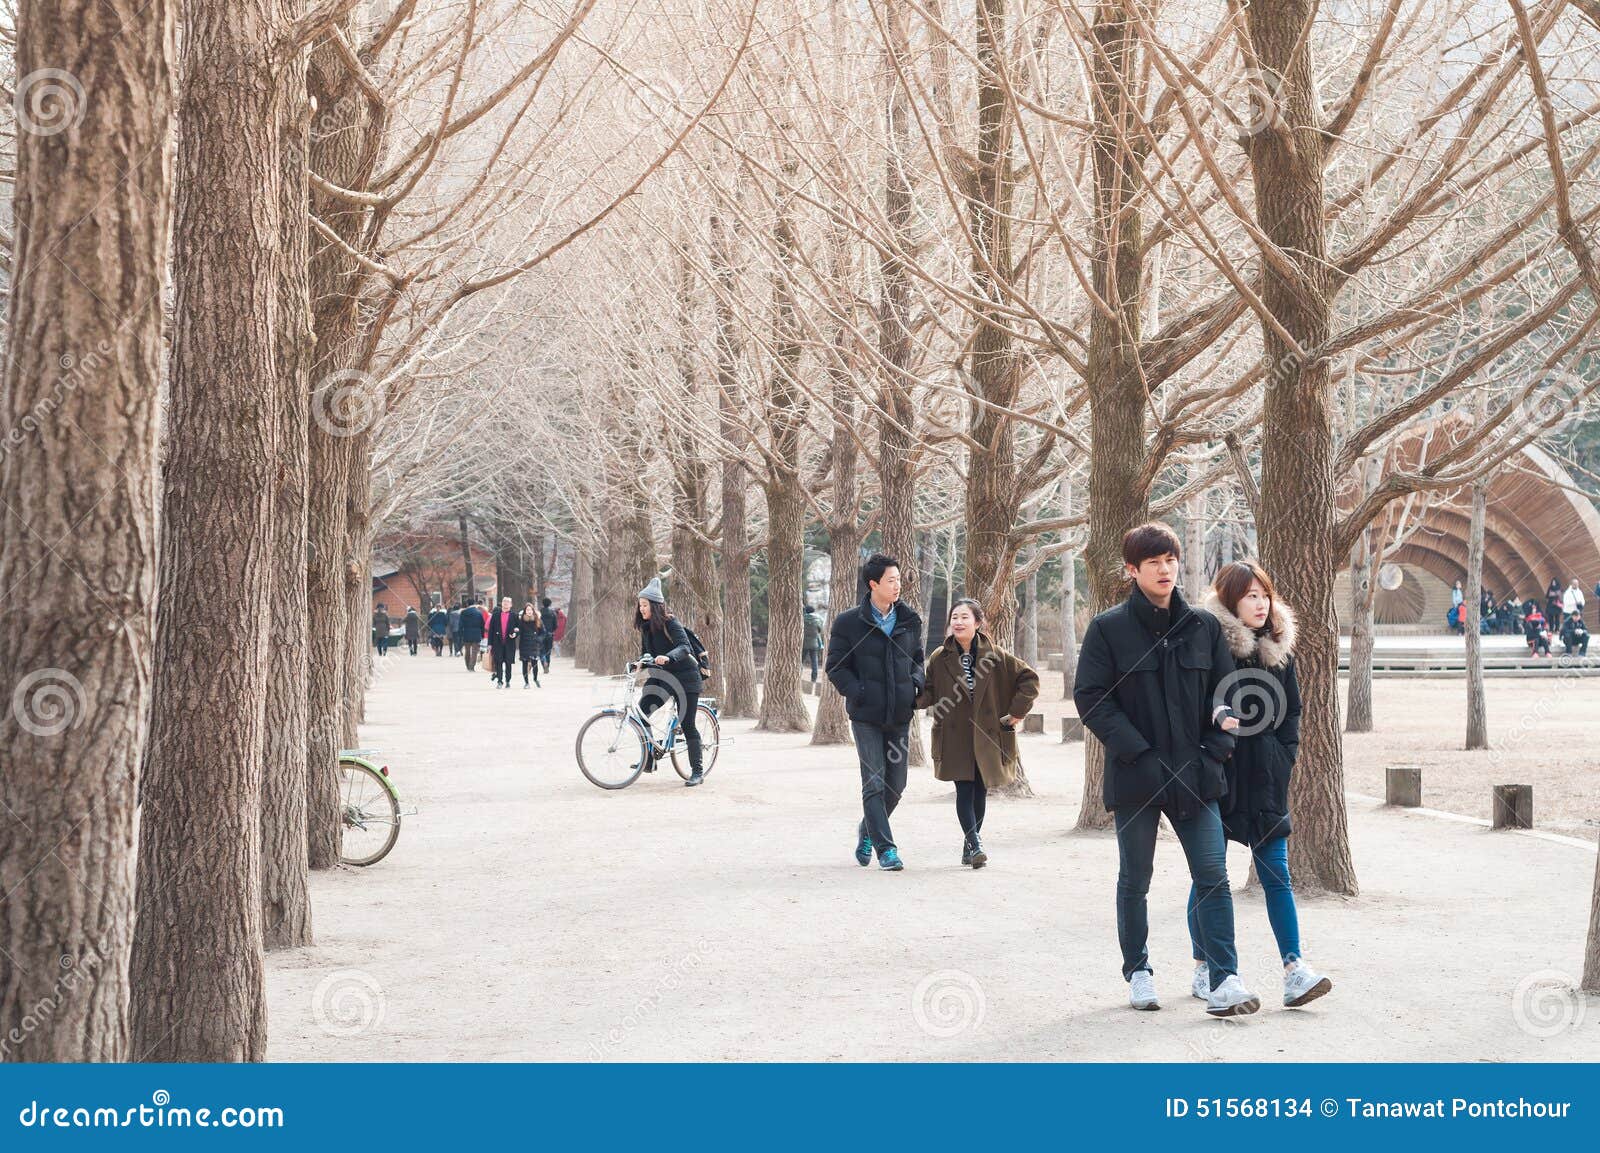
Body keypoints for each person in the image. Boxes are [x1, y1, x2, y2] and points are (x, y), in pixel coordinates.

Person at [1073, 521, 1260, 1017]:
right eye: (1153, 562)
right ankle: (1138, 970)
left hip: (1197, 775)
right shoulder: (1108, 629)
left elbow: (1228, 694)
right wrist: (1136, 750)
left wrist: (1217, 747)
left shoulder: (1203, 627)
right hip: (1137, 775)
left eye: (1170, 560)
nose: (1164, 569)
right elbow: (1090, 697)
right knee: (1136, 878)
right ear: (1132, 570)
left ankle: (1223, 979)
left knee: (1213, 874)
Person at [1201, 561, 1334, 1009]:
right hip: (1218, 781)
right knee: (1210, 877)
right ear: (1230, 600)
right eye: (1251, 595)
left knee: (1278, 876)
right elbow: (1197, 706)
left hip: (1266, 782)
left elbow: (1292, 710)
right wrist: (1215, 749)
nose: (1261, 603)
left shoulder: (1279, 649)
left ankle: (1295, 970)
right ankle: (1206, 968)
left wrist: (1284, 755)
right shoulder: (1208, 644)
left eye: (1265, 595)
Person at [915, 598, 1039, 868]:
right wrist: (908, 698)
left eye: (964, 617)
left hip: (988, 734)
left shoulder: (996, 655)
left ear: (978, 622)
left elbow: (1029, 679)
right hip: (954, 734)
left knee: (980, 791)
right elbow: (930, 693)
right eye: (954, 617)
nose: (957, 622)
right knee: (964, 788)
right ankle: (975, 843)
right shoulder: (939, 657)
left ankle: (970, 845)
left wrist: (1016, 713)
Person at [824, 552, 925, 872]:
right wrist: (859, 693)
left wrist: (915, 685)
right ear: (873, 584)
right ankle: (886, 849)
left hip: (899, 714)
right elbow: (836, 667)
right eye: (891, 580)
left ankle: (867, 828)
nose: (898, 586)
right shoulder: (849, 622)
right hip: (866, 716)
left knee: (897, 784)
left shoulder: (910, 619)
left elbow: (918, 660)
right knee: (875, 781)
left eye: (899, 580)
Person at [635, 578, 705, 786]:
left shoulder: (670, 623)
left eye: (645, 605)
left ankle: (697, 771)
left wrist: (669, 657)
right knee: (642, 712)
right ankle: (649, 759)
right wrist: (640, 662)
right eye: (640, 605)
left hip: (686, 678)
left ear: (655, 606)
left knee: (688, 724)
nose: (641, 609)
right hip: (663, 678)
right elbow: (646, 652)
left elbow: (685, 647)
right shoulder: (646, 628)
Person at [486, 595, 519, 688]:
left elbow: (518, 628)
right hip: (497, 643)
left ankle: (508, 680)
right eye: (504, 601)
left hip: (509, 643)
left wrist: (515, 634)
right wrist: (489, 643)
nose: (506, 603)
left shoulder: (514, 615)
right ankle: (500, 681)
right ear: (502, 603)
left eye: (508, 602)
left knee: (508, 663)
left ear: (511, 604)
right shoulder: (496, 615)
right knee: (498, 662)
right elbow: (491, 630)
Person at [518, 602, 545, 687]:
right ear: (525, 611)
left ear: (533, 611)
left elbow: (543, 632)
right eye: (527, 610)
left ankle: (535, 678)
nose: (529, 611)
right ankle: (526, 682)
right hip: (524, 645)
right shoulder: (521, 621)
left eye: (530, 610)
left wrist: (539, 639)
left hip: (534, 645)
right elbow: (518, 632)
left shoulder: (538, 620)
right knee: (524, 664)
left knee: (535, 663)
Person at [457, 597, 487, 671]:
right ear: (474, 604)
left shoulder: (463, 612)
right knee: (474, 651)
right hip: (476, 633)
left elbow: (460, 624)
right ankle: (471, 666)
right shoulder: (478, 612)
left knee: (467, 651)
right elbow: (482, 624)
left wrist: (460, 634)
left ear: (467, 604)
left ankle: (467, 665)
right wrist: (482, 635)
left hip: (466, 633)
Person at [802, 604, 824, 685]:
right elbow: (820, 631)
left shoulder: (802, 619)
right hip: (814, 644)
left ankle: (798, 676)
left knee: (800, 661)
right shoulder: (818, 620)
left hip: (803, 643)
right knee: (814, 661)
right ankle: (813, 679)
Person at [540, 598, 558, 673]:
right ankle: (547, 664)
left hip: (540, 634)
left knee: (541, 651)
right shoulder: (553, 613)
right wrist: (552, 630)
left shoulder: (539, 612)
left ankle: (544, 663)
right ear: (550, 604)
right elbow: (556, 625)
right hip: (550, 634)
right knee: (548, 651)